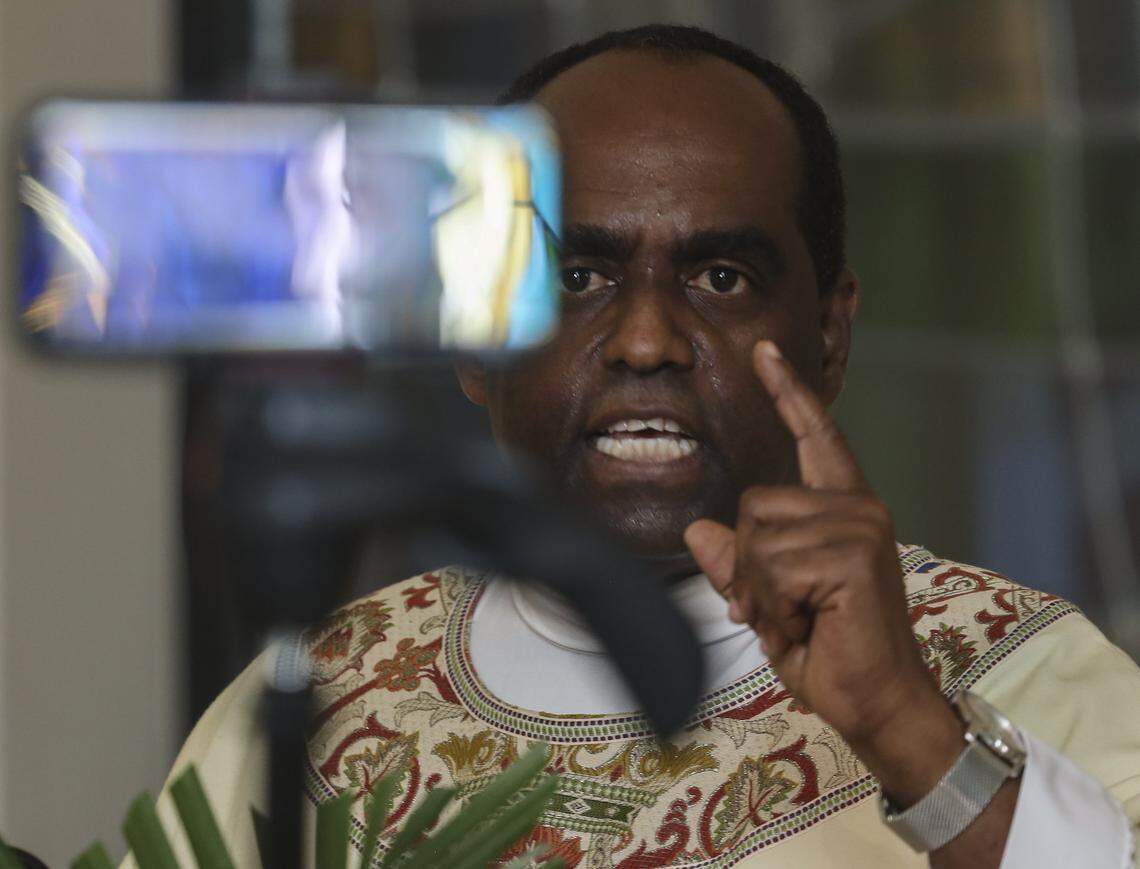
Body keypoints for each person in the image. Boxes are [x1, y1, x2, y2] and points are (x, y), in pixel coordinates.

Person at [146, 25, 1140, 868]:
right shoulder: (322, 691)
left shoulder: (1025, 669)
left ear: (829, 335)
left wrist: (900, 717)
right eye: (577, 276)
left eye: (718, 277)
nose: (647, 339)